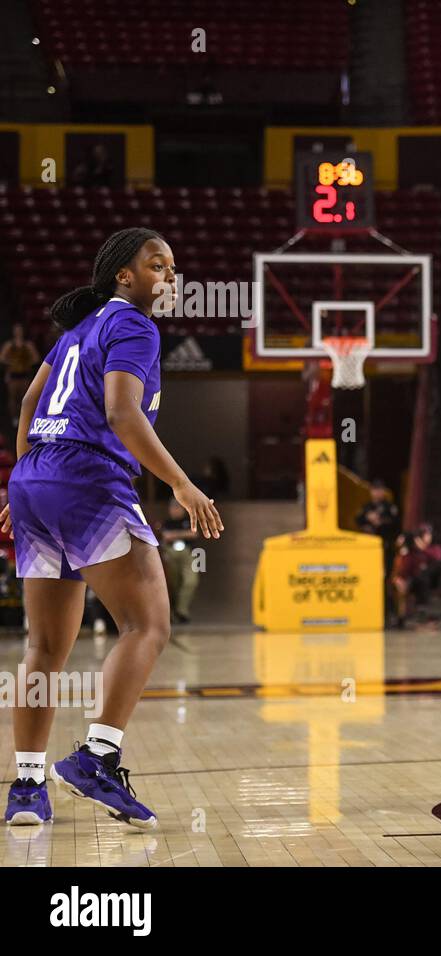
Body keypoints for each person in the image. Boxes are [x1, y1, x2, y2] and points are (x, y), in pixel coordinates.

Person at [2, 228, 222, 829]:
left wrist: (24, 476)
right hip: (86, 478)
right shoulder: (133, 325)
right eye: (158, 265)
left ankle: (26, 788)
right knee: (147, 624)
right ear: (125, 276)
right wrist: (181, 483)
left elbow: (28, 403)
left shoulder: (79, 327)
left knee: (43, 647)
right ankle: (97, 757)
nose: (170, 277)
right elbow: (122, 414)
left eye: (174, 267)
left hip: (36, 482)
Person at [159, 497, 200, 623]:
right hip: (170, 554)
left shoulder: (188, 521)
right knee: (173, 583)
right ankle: (173, 611)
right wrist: (181, 534)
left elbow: (193, 534)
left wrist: (174, 535)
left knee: (191, 581)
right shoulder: (166, 523)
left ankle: (182, 610)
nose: (175, 510)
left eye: (178, 508)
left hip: (188, 553)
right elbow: (165, 537)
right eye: (173, 508)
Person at [0, 324, 41, 428]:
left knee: (25, 398)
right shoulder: (9, 345)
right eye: (16, 330)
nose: (18, 332)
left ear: (22, 331)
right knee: (13, 398)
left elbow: (36, 358)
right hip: (13, 375)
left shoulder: (27, 345)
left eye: (20, 330)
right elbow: (2, 358)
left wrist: (26, 362)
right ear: (13, 332)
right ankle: (14, 418)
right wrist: (12, 362)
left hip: (24, 375)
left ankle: (25, 419)